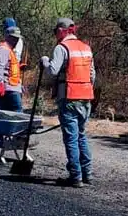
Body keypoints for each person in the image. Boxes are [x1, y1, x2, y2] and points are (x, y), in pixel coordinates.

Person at [41, 18, 96, 188]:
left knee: (71, 139)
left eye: (55, 31)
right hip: (86, 99)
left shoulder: (61, 48)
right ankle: (87, 174)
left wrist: (44, 62)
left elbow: (52, 71)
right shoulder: (86, 48)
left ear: (60, 31)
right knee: (81, 135)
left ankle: (75, 176)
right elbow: (92, 75)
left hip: (69, 98)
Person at [0, 27, 24, 112]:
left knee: (5, 114)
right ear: (7, 37)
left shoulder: (10, 51)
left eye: (17, 38)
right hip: (8, 89)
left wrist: (20, 85)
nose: (16, 40)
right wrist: (0, 84)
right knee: (18, 114)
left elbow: (10, 69)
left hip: (13, 88)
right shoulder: (3, 49)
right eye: (13, 38)